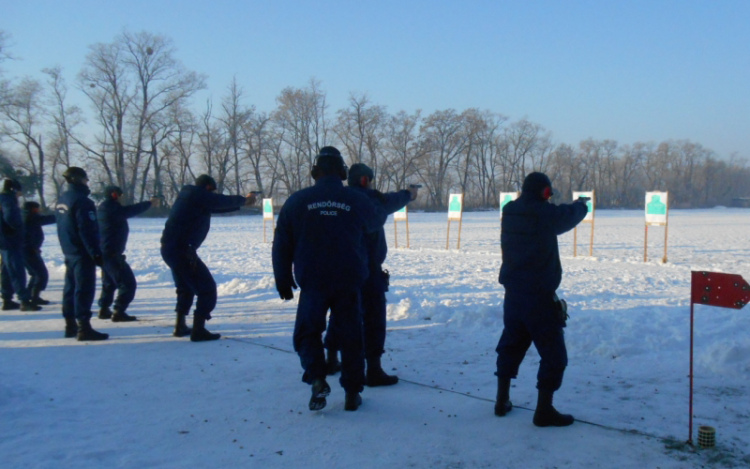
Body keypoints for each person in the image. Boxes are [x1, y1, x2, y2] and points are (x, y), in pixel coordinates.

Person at [272, 146, 379, 412]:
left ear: (314, 172)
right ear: (343, 173)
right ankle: (352, 393)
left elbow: (281, 244)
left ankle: (318, 378)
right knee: (351, 336)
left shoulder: (297, 201)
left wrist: (282, 278)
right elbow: (375, 225)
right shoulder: (356, 199)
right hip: (348, 279)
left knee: (308, 332)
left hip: (313, 280)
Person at [495, 172, 588, 427]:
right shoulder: (544, 214)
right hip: (539, 296)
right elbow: (568, 216)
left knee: (511, 345)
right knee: (554, 356)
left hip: (513, 295)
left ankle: (501, 400)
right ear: (545, 192)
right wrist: (582, 204)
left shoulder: (510, 211)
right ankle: (543, 411)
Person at [324, 163, 417, 386]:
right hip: (367, 269)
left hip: (340, 267)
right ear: (365, 180)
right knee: (374, 317)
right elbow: (391, 201)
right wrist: (409, 195)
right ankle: (373, 369)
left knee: (340, 313)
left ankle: (330, 359)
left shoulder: (339, 199)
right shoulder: (371, 200)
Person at [160, 175, 256, 342]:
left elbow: (217, 206)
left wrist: (242, 205)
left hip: (172, 249)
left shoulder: (190, 197)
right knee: (207, 288)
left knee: (185, 287)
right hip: (182, 251)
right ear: (208, 187)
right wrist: (244, 200)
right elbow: (220, 201)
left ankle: (180, 325)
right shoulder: (197, 195)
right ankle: (199, 330)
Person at [55, 167, 108, 340]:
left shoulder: (62, 199)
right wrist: (95, 253)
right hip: (82, 252)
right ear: (78, 180)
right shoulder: (83, 202)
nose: (87, 183)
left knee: (70, 288)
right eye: (85, 179)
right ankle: (83, 327)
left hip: (69, 250)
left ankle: (70, 325)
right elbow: (87, 230)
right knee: (84, 289)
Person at [96, 186, 159, 322]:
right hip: (112, 254)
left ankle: (104, 309)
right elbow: (131, 210)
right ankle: (119, 311)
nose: (122, 198)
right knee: (128, 284)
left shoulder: (105, 207)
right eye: (120, 195)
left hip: (106, 253)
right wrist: (150, 203)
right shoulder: (111, 208)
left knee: (109, 283)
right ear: (114, 195)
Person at [0, 179, 41, 312]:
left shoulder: (3, 198)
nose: (20, 194)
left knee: (7, 269)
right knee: (16, 270)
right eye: (19, 191)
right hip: (10, 241)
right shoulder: (7, 200)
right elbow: (11, 216)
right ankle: (24, 300)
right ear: (13, 189)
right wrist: (17, 230)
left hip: (4, 241)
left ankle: (7, 299)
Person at [22, 201, 56, 305]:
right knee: (41, 274)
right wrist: (62, 214)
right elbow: (48, 219)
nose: (40, 210)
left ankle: (30, 295)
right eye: (38, 208)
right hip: (29, 251)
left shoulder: (24, 216)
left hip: (26, 250)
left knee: (34, 274)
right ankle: (34, 297)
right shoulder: (31, 218)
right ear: (34, 209)